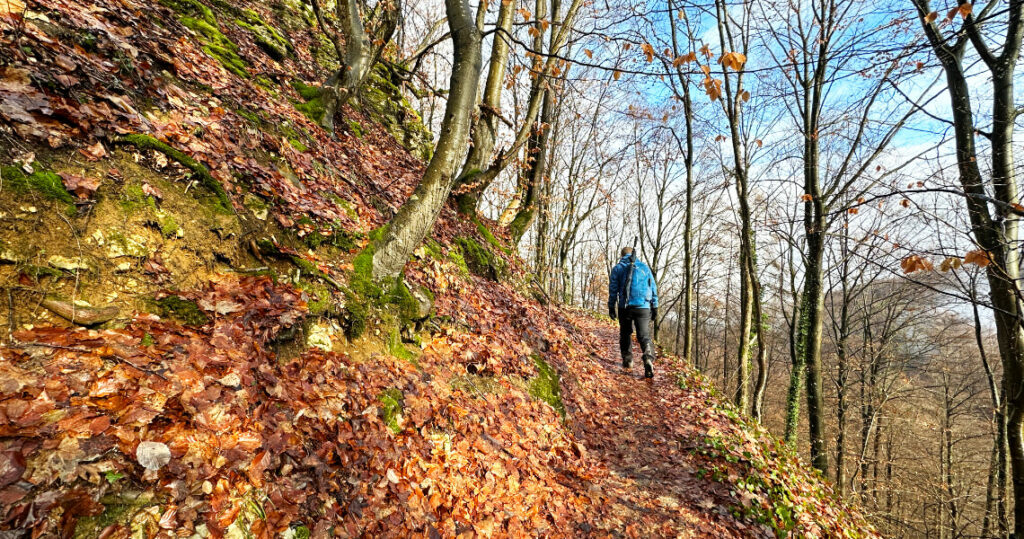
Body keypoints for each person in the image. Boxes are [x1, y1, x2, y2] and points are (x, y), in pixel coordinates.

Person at [608, 246, 658, 378]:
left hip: (625, 307)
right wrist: (655, 306)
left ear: (622, 256)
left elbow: (613, 289)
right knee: (644, 335)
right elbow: (653, 287)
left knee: (625, 333)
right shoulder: (644, 267)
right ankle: (648, 357)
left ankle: (628, 360)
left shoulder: (618, 268)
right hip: (643, 306)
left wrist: (611, 306)